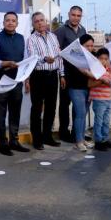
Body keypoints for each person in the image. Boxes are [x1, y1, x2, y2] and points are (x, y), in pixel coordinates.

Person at [0, 12, 30, 155]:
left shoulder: (21, 39)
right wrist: (6, 63)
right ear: (3, 22)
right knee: (1, 114)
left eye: (13, 20)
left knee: (15, 113)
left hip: (17, 82)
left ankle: (14, 141)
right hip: (1, 82)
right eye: (8, 20)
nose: (10, 23)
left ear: (17, 23)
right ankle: (3, 144)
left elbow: (25, 60)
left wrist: (26, 79)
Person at [26, 12, 65, 150]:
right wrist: (44, 59)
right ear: (33, 24)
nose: (40, 23)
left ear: (46, 21)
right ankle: (37, 139)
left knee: (51, 107)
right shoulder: (31, 39)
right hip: (38, 76)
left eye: (42, 20)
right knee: (37, 108)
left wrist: (62, 75)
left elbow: (59, 56)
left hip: (53, 75)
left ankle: (47, 136)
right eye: (36, 21)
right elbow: (33, 58)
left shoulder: (53, 37)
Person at [54, 6, 86, 143]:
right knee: (65, 103)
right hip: (66, 73)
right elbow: (57, 51)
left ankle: (76, 132)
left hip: (80, 73)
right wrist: (61, 74)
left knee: (78, 105)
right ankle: (64, 131)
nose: (76, 18)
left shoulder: (83, 30)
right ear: (69, 14)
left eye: (78, 15)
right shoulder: (61, 30)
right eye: (73, 15)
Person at [66, 34, 95, 151]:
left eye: (91, 46)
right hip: (75, 88)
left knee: (84, 114)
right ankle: (78, 142)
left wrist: (93, 90)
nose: (89, 48)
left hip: (88, 88)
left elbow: (96, 73)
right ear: (81, 45)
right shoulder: (74, 56)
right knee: (80, 113)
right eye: (87, 45)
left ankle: (82, 139)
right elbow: (82, 72)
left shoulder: (92, 57)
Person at [88, 48, 111, 151]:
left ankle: (105, 139)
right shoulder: (95, 70)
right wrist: (103, 81)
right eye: (101, 58)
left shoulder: (109, 69)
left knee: (106, 121)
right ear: (96, 58)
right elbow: (90, 84)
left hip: (108, 98)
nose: (103, 60)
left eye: (106, 58)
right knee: (99, 121)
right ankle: (98, 141)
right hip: (98, 99)